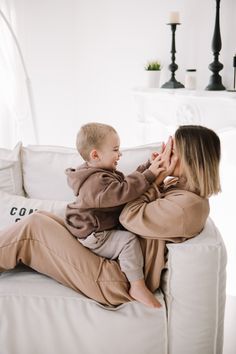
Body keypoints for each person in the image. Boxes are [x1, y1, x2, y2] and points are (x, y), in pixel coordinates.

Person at [0, 125, 221, 308]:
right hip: (107, 254)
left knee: (34, 229)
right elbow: (128, 195)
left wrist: (154, 179)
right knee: (40, 219)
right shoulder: (178, 188)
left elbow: (128, 215)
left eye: (173, 151)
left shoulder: (186, 207)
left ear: (191, 159)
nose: (166, 154)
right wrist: (154, 175)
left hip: (115, 277)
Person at [65, 122, 164, 308]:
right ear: (95, 154)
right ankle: (137, 285)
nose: (120, 154)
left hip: (93, 227)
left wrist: (148, 166)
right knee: (128, 241)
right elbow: (123, 191)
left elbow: (126, 183)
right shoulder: (95, 182)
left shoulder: (99, 172)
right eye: (116, 150)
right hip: (95, 235)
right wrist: (150, 175)